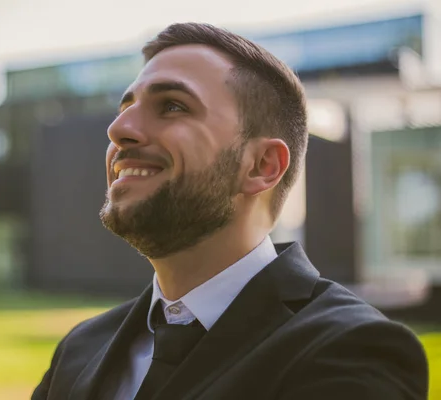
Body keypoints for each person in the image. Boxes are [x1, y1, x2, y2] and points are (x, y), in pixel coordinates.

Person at [31, 22, 429, 400]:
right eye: (126, 107)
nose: (118, 130)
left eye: (171, 106)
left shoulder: (350, 349)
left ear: (262, 165)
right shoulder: (79, 349)